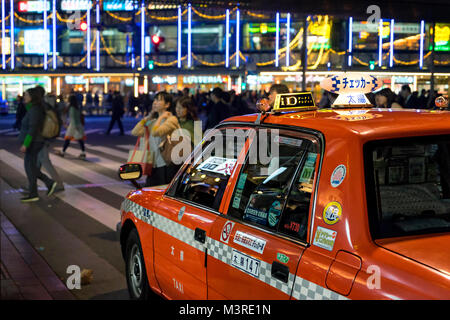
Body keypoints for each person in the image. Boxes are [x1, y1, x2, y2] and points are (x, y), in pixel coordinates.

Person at [131, 92, 180, 187]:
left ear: (167, 105)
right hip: (153, 164)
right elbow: (135, 132)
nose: (155, 102)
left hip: (165, 164)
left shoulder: (172, 120)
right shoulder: (152, 121)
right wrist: (148, 117)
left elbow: (155, 132)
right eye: (155, 100)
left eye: (159, 100)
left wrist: (161, 117)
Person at [18, 87, 57, 202]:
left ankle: (46, 184)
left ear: (32, 97)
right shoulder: (33, 109)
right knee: (31, 167)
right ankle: (36, 191)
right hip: (35, 142)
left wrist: (25, 144)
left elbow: (32, 129)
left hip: (34, 142)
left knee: (30, 167)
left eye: (26, 95)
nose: (24, 97)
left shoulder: (35, 110)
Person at [34, 87, 64, 192]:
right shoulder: (47, 105)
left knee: (45, 161)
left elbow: (38, 124)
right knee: (36, 164)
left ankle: (59, 184)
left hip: (42, 138)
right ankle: (31, 186)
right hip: (45, 137)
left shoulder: (42, 106)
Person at [57, 94, 86, 159]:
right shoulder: (77, 107)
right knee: (80, 140)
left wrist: (71, 126)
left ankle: (63, 152)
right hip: (78, 125)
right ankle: (83, 153)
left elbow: (73, 118)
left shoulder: (71, 108)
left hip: (73, 126)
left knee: (68, 139)